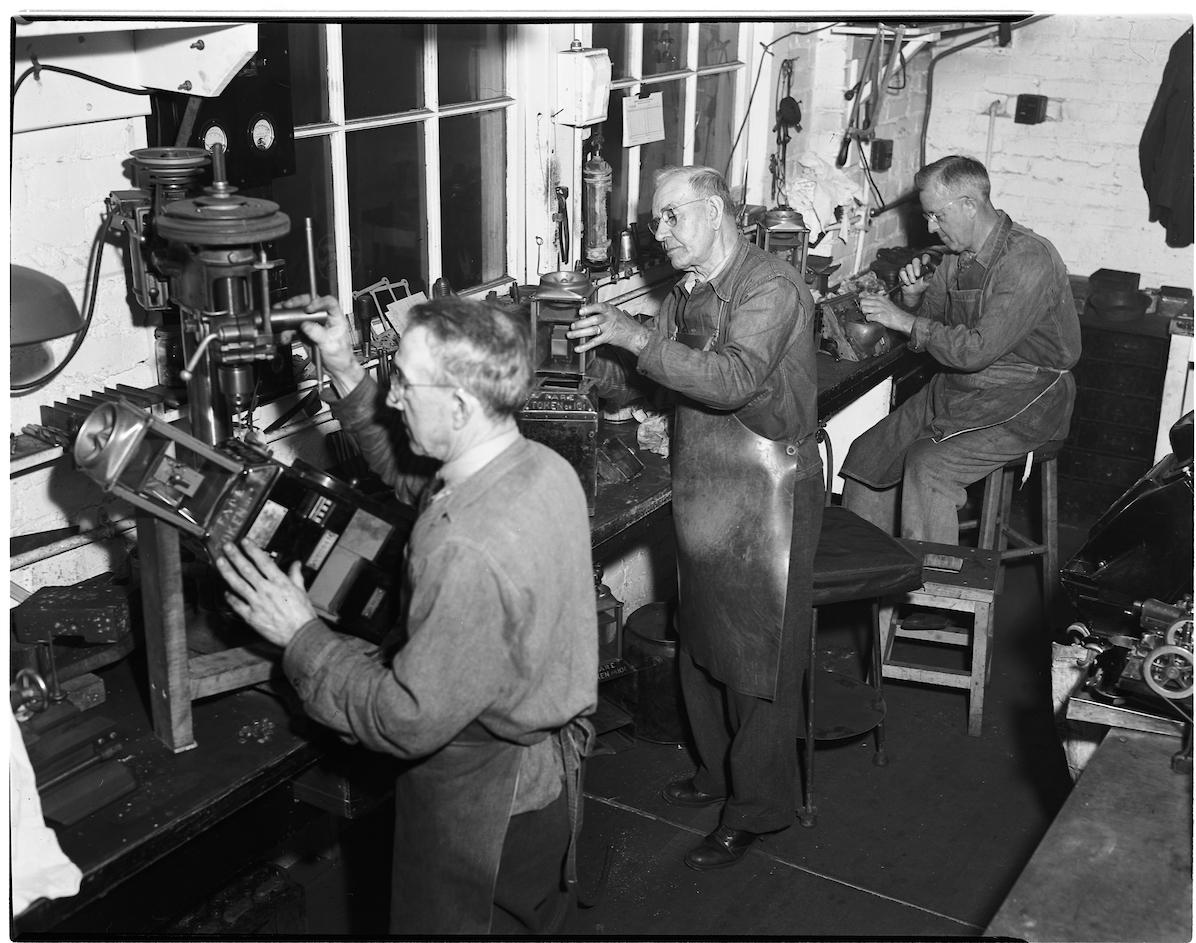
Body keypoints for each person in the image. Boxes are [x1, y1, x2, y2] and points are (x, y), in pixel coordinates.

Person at [214, 296, 598, 935]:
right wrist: (342, 369)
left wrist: (299, 635)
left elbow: (406, 718)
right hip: (545, 789)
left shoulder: (464, 547)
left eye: (403, 382)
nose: (392, 398)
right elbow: (418, 479)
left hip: (486, 807)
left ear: (460, 405)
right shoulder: (537, 466)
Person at [568, 165, 823, 871]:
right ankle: (717, 773)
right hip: (709, 478)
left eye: (672, 216)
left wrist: (633, 333)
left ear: (714, 211)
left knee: (758, 657)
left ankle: (759, 807)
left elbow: (735, 379)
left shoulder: (771, 285)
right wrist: (594, 345)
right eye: (656, 220)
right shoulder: (687, 290)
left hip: (770, 484)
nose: (661, 232)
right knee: (706, 641)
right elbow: (664, 374)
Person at [841, 155, 1081, 544]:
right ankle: (870, 583)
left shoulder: (1028, 259)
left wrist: (902, 320)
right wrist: (913, 301)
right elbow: (934, 329)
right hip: (961, 386)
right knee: (868, 455)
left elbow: (974, 351)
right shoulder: (955, 257)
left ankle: (934, 595)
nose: (931, 228)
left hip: (1027, 396)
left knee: (928, 465)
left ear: (969, 204)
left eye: (937, 216)